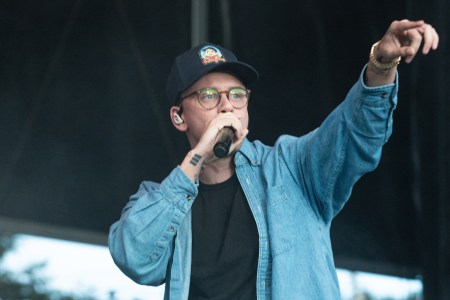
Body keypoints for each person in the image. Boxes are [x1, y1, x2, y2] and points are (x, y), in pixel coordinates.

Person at [108, 19, 439, 299]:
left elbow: (355, 135)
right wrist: (197, 158)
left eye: (237, 94)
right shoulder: (158, 200)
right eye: (209, 96)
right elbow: (136, 258)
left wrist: (380, 66)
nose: (227, 106)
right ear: (179, 118)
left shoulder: (291, 166)